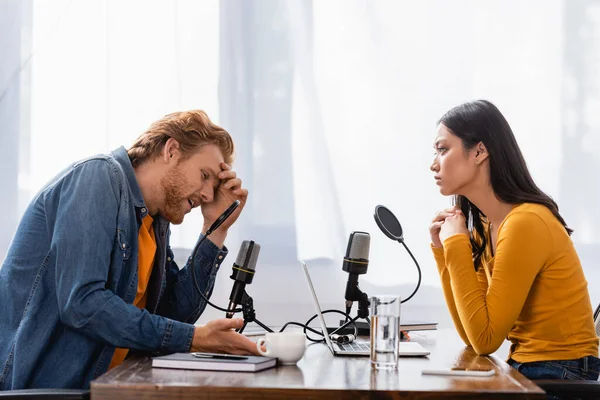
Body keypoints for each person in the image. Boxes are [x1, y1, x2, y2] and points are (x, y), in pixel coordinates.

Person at [0, 110, 259, 390]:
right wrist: (194, 337)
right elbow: (83, 304)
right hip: (41, 390)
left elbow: (172, 318)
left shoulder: (153, 222)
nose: (208, 194)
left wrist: (215, 230)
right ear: (171, 151)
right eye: (204, 175)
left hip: (106, 387)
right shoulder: (97, 177)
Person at [429, 100, 600, 382]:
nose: (433, 163)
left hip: (562, 374)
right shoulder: (486, 227)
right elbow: (474, 334)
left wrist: (457, 243)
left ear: (480, 151)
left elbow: (485, 340)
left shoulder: (525, 222)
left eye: (443, 149)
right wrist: (442, 250)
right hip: (530, 368)